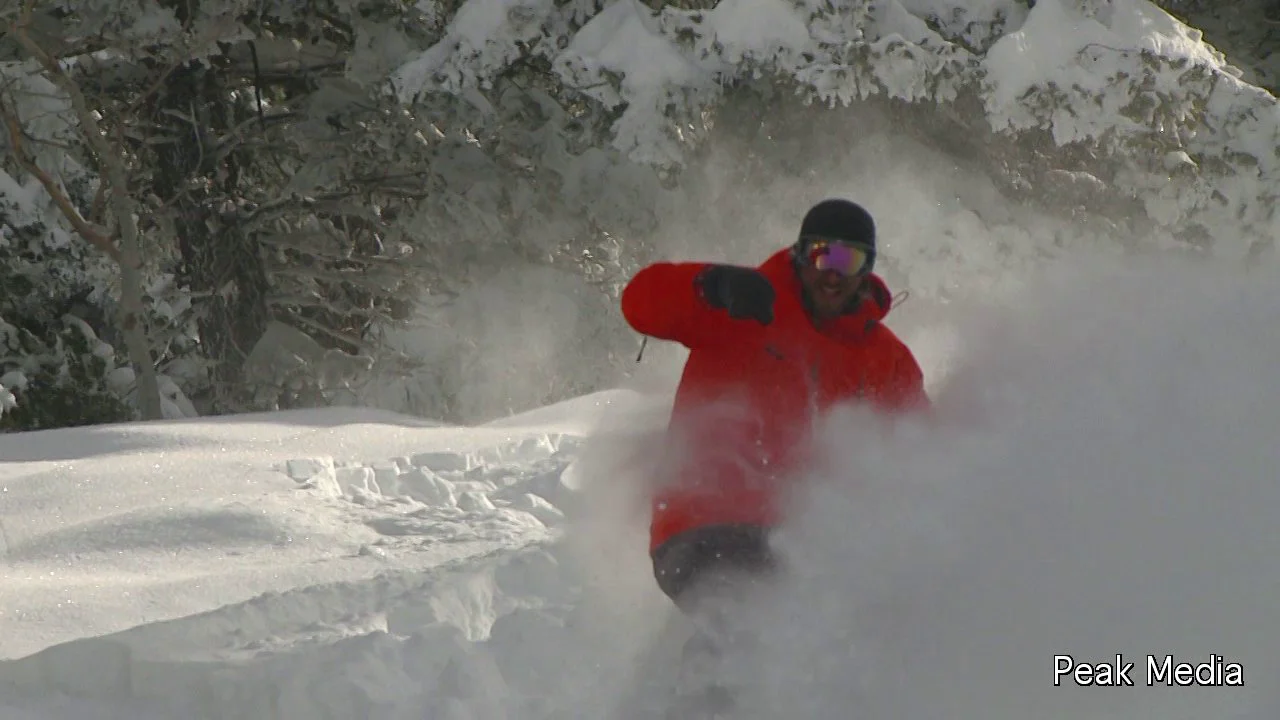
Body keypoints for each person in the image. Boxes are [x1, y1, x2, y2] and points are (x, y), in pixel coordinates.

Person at [620, 198, 930, 624]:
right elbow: (639, 302)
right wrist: (707, 285)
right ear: (801, 254)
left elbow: (924, 445)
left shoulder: (883, 358)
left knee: (828, 629)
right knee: (738, 615)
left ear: (867, 269)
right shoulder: (747, 305)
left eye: (850, 258)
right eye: (822, 254)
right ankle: (716, 680)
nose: (833, 273)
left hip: (797, 538)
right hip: (705, 518)